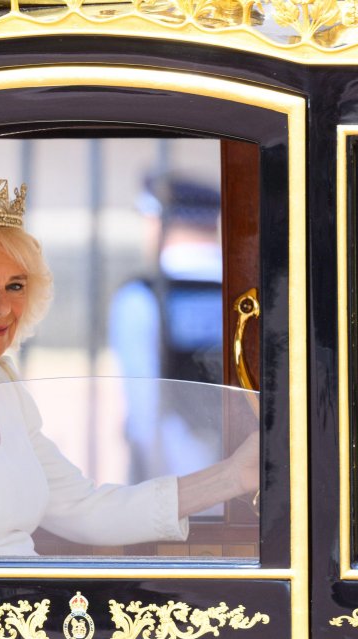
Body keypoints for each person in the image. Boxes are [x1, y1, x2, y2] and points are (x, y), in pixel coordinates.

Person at [0, 178, 258, 556]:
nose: (2, 305)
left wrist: (233, 475)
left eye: (15, 286)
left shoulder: (0, 383)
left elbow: (83, 509)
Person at [108, 175, 224, 482]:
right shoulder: (254, 289)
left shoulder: (141, 296)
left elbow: (144, 408)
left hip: (175, 480)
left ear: (156, 222)